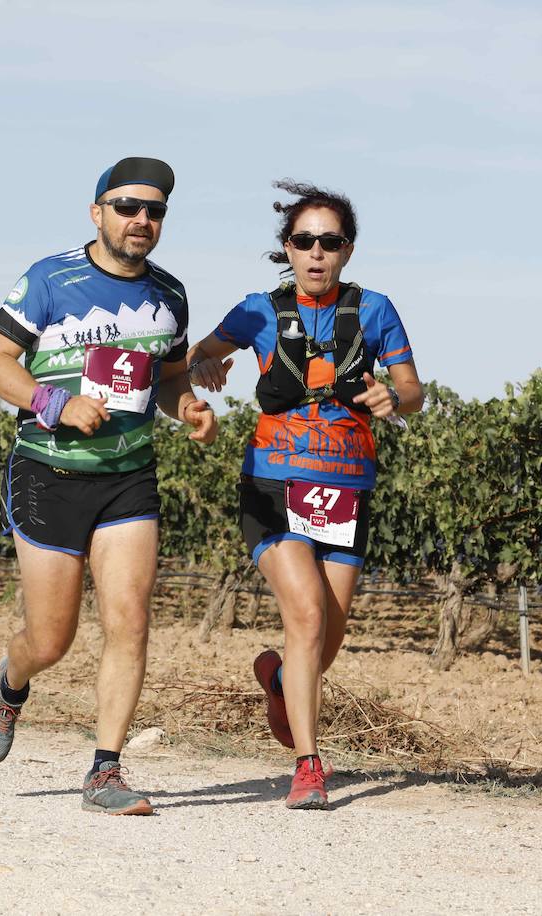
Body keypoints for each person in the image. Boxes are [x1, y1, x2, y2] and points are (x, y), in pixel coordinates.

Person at [0, 157, 217, 815]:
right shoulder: (50, 279)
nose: (142, 220)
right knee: (52, 639)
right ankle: (11, 683)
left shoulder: (170, 294)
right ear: (97, 212)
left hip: (128, 478)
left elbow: (167, 380)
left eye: (155, 210)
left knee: (129, 618)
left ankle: (104, 771)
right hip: (49, 472)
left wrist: (188, 406)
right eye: (128, 206)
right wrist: (55, 404)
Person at [186, 181, 423, 809]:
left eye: (330, 242)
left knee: (326, 642)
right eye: (303, 241)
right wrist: (206, 368)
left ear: (347, 250)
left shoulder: (375, 311)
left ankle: (279, 679)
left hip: (348, 490)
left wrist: (392, 399)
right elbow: (198, 357)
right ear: (286, 248)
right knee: (308, 615)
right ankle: (309, 766)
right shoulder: (258, 311)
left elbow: (412, 391)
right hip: (273, 482)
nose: (316, 253)